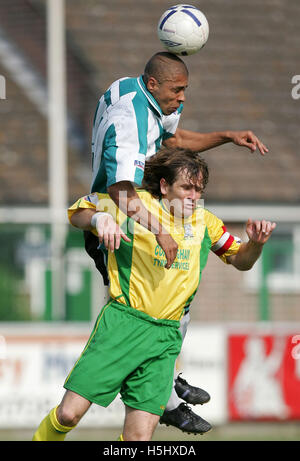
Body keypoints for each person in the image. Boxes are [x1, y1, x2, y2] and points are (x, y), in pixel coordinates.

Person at [32, 147, 276, 441]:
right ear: (164, 186)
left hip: (165, 338)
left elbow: (241, 261)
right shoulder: (133, 205)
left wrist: (256, 244)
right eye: (186, 187)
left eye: (199, 189)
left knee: (138, 439)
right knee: (68, 415)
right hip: (123, 324)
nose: (193, 196)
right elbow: (77, 211)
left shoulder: (206, 222)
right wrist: (100, 220)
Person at [84, 51, 269, 431]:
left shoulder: (132, 92)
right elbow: (120, 190)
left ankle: (163, 383)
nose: (182, 97)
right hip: (120, 221)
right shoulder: (131, 118)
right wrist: (160, 229)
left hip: (137, 212)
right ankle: (163, 393)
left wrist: (227, 137)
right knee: (147, 309)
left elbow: (174, 140)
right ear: (154, 84)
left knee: (174, 301)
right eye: (177, 90)